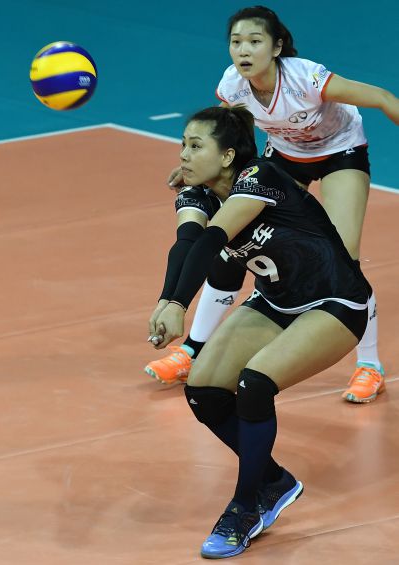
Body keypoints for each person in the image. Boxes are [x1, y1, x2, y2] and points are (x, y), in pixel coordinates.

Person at [148, 104, 371, 558]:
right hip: (275, 302)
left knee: (254, 384)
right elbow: (187, 243)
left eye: (196, 146)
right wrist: (166, 301)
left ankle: (245, 507)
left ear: (228, 156)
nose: (184, 155)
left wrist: (179, 305)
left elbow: (213, 239)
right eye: (183, 144)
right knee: (204, 390)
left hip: (335, 302)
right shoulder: (197, 193)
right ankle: (272, 480)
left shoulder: (260, 176)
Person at [145, 4, 399, 403]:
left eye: (254, 41)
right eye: (236, 42)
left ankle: (369, 365)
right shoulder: (233, 84)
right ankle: (192, 349)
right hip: (284, 156)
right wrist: (196, 166)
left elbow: (382, 97)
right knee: (230, 250)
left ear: (277, 47)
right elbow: (228, 130)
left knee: (344, 259)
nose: (243, 50)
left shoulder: (305, 79)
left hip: (339, 151)